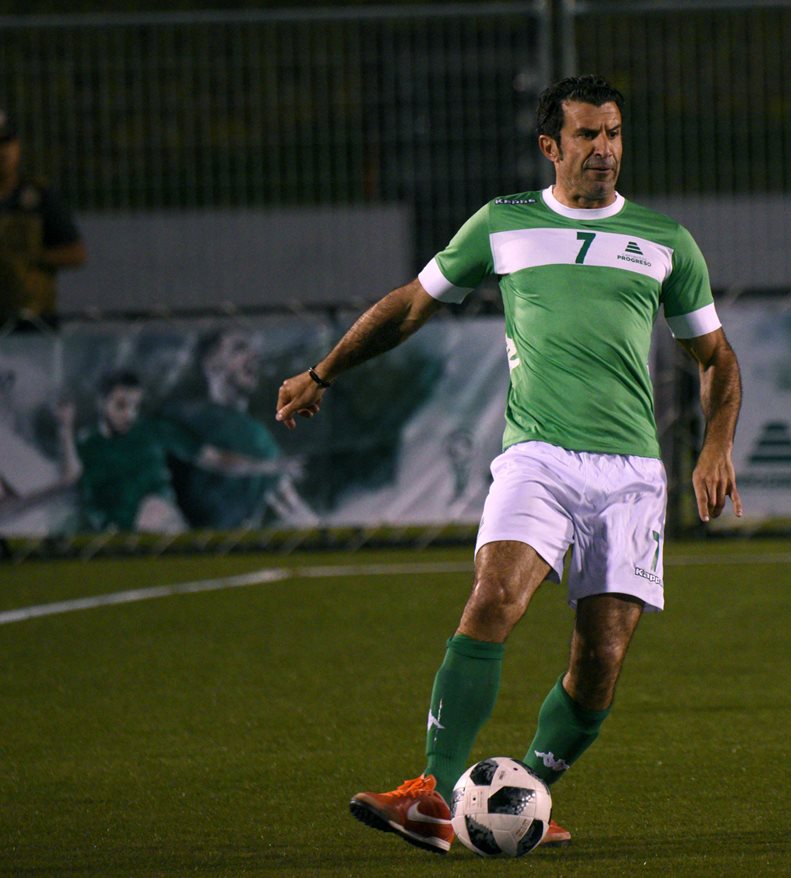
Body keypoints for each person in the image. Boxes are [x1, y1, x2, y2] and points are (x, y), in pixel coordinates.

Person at [275, 74, 743, 855]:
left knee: (601, 660)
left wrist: (717, 443)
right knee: (494, 596)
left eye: (615, 134)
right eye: (588, 135)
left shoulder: (667, 240)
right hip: (537, 455)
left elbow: (716, 358)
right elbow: (409, 306)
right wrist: (321, 373)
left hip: (631, 473)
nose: (605, 150)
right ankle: (429, 792)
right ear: (550, 146)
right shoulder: (504, 223)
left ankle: (520, 793)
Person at [71, 369, 300, 533]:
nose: (129, 414)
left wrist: (266, 466)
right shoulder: (86, 445)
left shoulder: (152, 431)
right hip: (111, 534)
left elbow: (213, 458)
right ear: (102, 402)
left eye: (134, 406)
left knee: (155, 508)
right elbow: (69, 483)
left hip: (159, 523)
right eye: (121, 405)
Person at [168, 328, 314, 529]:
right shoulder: (185, 421)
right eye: (239, 348)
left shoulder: (256, 434)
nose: (253, 356)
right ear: (211, 362)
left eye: (255, 349)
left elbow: (290, 505)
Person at [0, 108, 86, 321]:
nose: (2, 151)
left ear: (17, 146)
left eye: (6, 142)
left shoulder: (38, 197)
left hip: (32, 323)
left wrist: (28, 257)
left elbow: (75, 253)